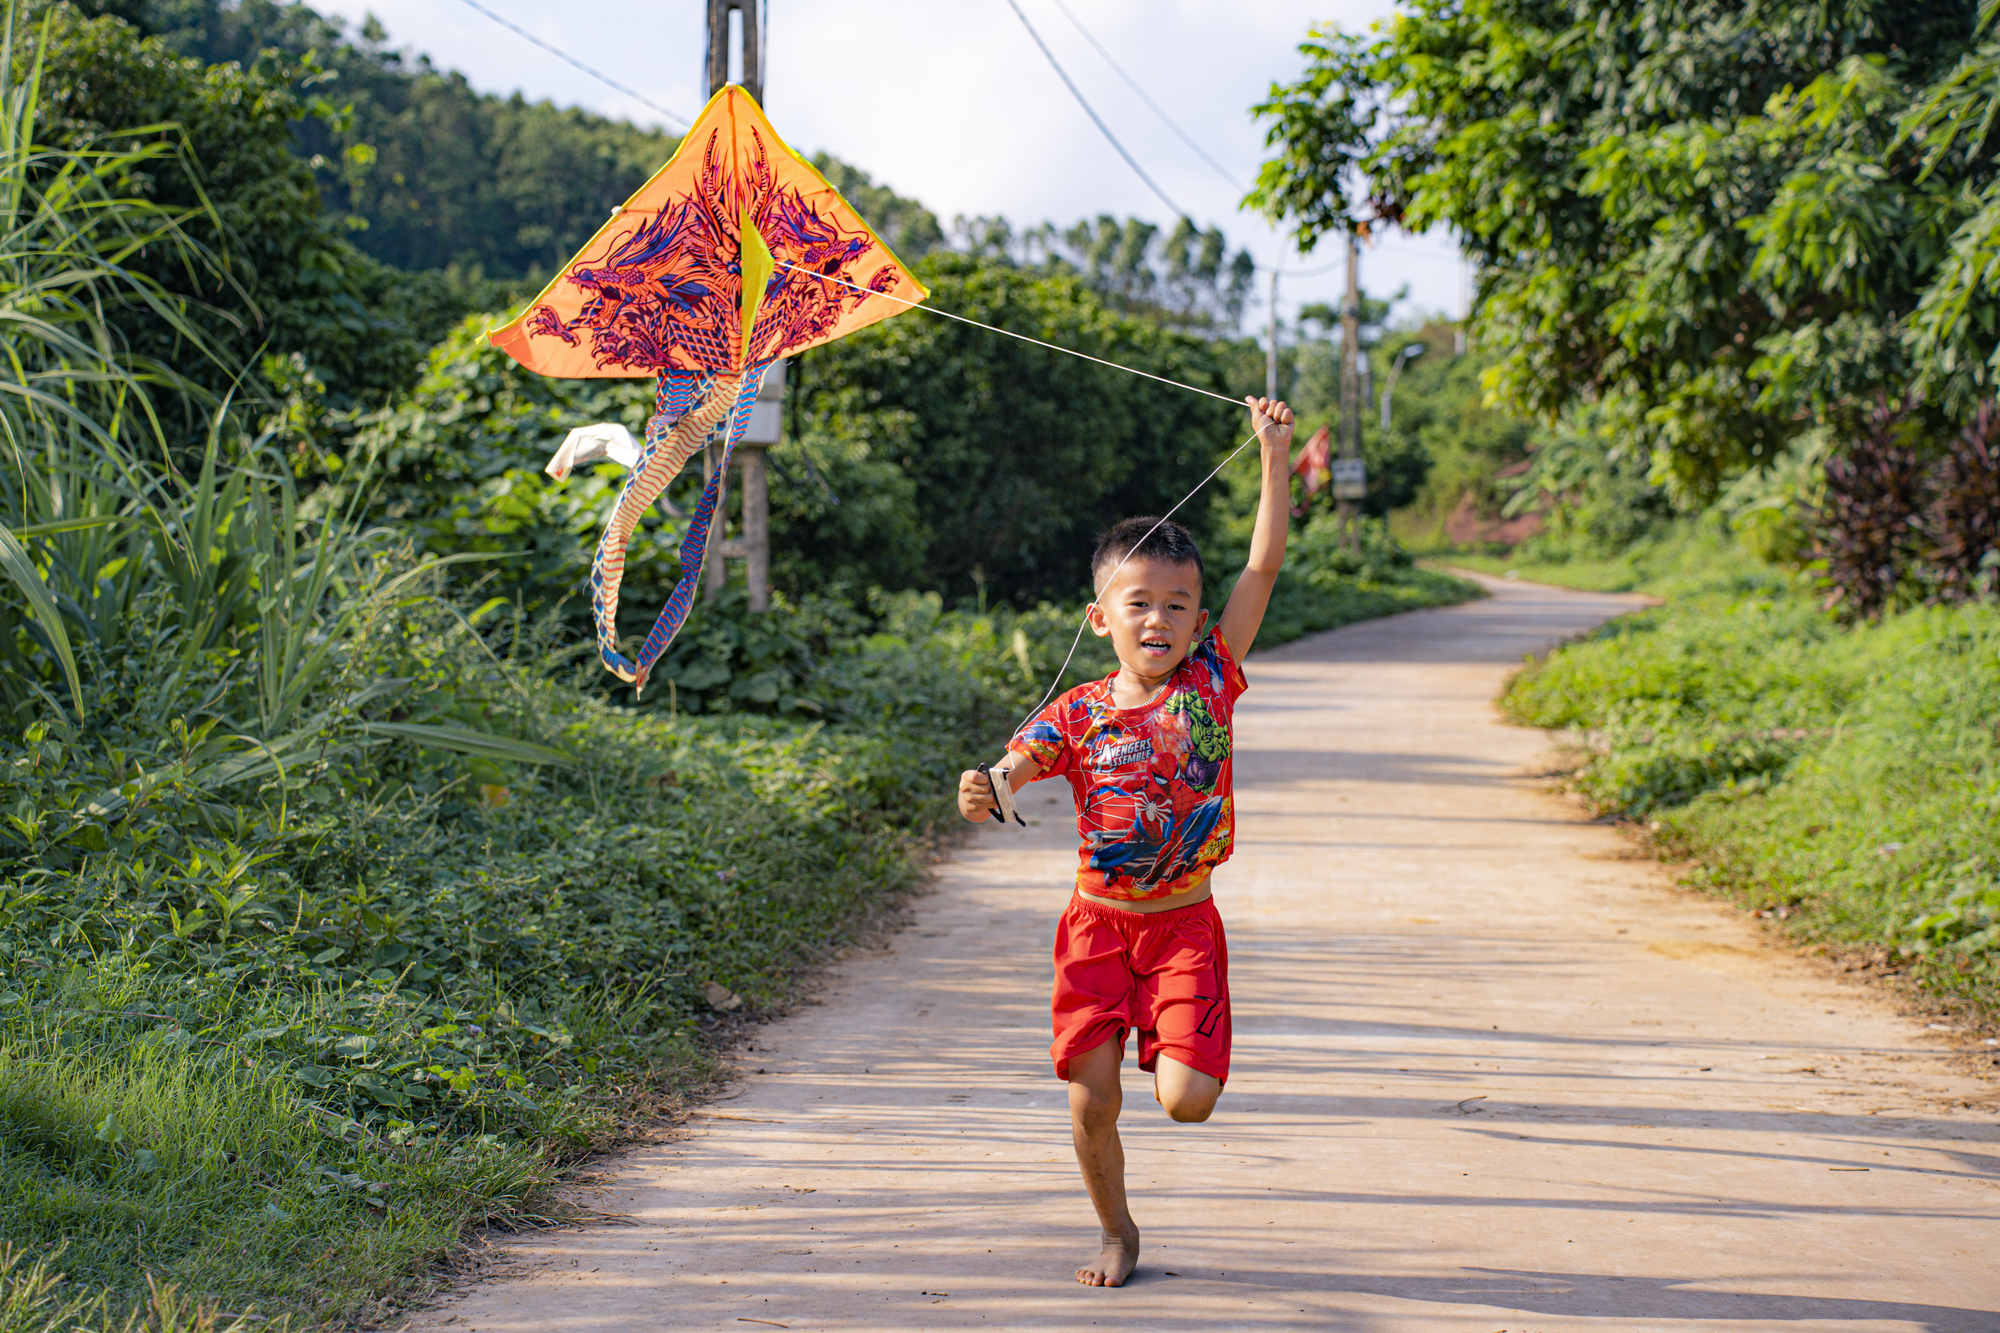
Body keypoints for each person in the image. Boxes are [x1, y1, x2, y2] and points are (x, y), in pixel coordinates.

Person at [956, 395, 1296, 1288]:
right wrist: (985, 788)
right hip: (1095, 931)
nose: (1160, 619)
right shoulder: (1077, 711)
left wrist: (1272, 454)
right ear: (1099, 615)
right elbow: (1010, 770)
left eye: (1178, 604)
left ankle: (1176, 1047)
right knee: (1091, 1099)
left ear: (1195, 619)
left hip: (1184, 929)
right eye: (1138, 602)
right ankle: (1117, 1230)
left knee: (1185, 1102)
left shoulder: (1215, 675)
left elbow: (1261, 566)